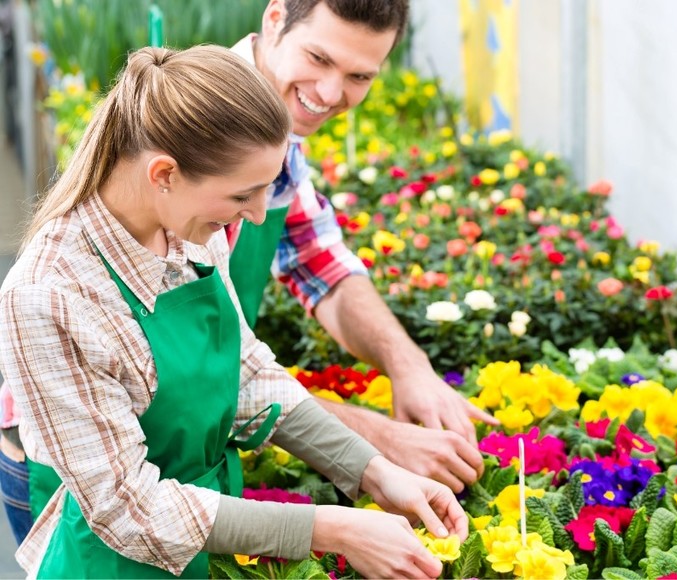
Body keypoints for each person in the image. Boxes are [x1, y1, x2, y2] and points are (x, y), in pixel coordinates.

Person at [0, 44, 466, 579]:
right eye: (243, 194)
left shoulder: (188, 231)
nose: (259, 213)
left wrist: (374, 470)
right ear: (164, 175)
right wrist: (332, 529)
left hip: (215, 541)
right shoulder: (48, 294)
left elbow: (249, 375)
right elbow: (128, 508)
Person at [224, 0, 496, 490]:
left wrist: (409, 367)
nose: (331, 93)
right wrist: (375, 440)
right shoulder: (200, 131)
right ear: (274, 19)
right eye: (319, 58)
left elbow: (317, 262)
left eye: (360, 76)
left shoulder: (273, 135)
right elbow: (188, 371)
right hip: (83, 494)